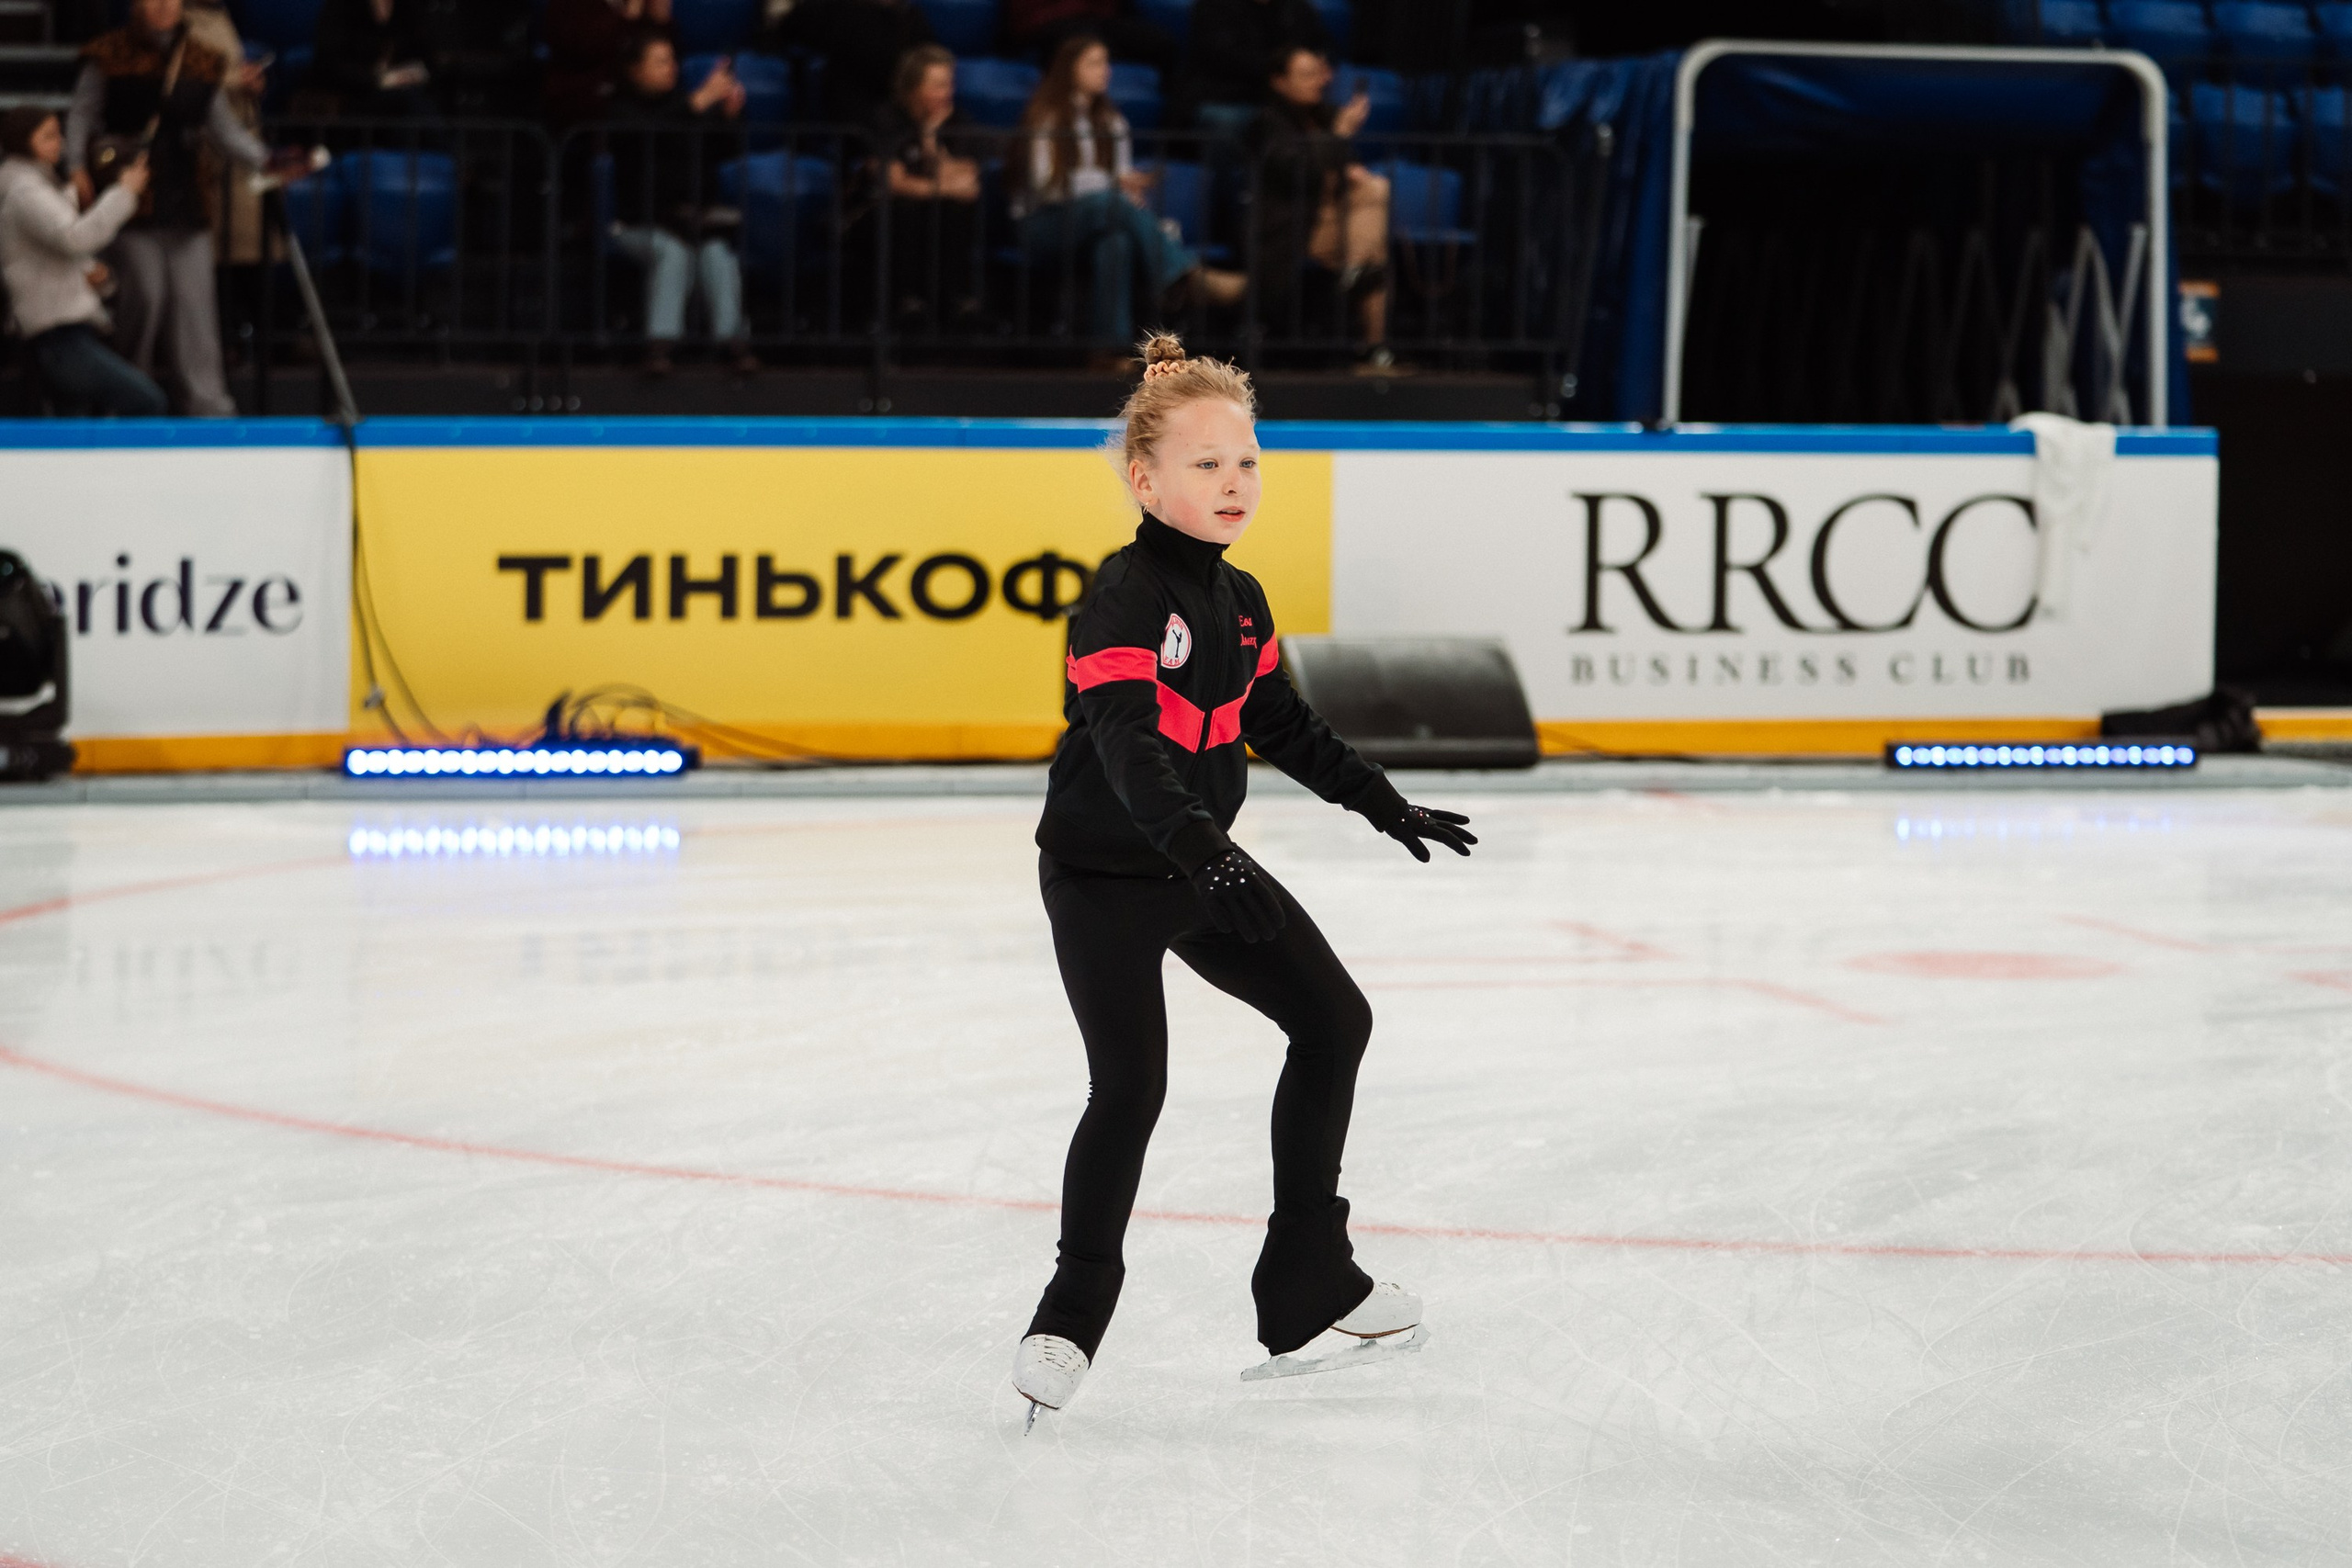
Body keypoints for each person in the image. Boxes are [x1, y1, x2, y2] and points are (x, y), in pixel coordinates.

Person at [1012, 333, 1476, 1425]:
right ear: (1145, 479)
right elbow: (1129, 752)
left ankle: (1309, 1278)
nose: (1234, 484)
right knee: (1130, 1087)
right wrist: (1209, 855)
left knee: (1332, 1022)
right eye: (1208, 464)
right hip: (1103, 876)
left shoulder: (1245, 600)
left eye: (1248, 462)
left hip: (1200, 869)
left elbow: (1282, 725)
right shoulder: (1119, 602)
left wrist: (1379, 801)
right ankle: (1068, 1317)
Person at [65, 0, 270, 417]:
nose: (163, 6)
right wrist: (75, 167)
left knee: (196, 307)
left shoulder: (201, 60)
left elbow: (225, 131)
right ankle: (129, 396)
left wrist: (270, 161)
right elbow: (81, 116)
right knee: (146, 291)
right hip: (129, 199)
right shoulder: (108, 54)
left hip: (185, 197)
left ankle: (208, 405)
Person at [1014, 35, 1243, 357]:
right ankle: (1183, 274)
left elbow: (1119, 184)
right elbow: (1047, 186)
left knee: (1116, 242)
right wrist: (1114, 186)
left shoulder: (1112, 121)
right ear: (1069, 69)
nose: (1105, 70)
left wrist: (1122, 192)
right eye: (1094, 63)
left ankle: (1109, 350)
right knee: (1111, 204)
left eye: (1106, 62)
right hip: (1043, 223)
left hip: (1099, 220)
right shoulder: (1046, 117)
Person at [607, 32, 757, 377]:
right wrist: (700, 100)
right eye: (660, 62)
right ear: (634, 70)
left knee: (718, 256)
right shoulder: (620, 110)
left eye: (672, 61)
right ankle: (659, 348)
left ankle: (733, 344)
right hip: (638, 225)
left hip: (694, 224)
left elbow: (722, 151)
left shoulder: (685, 105)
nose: (671, 68)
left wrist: (730, 118)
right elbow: (649, 134)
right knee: (672, 252)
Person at [0, 108, 167, 416]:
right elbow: (75, 238)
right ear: (22, 141)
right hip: (57, 335)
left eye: (58, 133)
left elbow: (62, 252)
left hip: (67, 330)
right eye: (48, 136)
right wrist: (124, 193)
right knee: (146, 400)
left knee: (72, 428)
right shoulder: (25, 190)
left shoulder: (40, 183)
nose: (59, 143)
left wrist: (95, 277)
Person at [1250, 46, 1391, 366]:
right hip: (1294, 228)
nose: (1317, 81)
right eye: (1306, 75)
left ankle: (1356, 273)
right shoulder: (1268, 123)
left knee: (1376, 190)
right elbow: (1294, 173)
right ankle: (1374, 343)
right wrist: (1339, 136)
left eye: (1318, 73)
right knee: (1375, 251)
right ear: (1279, 81)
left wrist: (1350, 169)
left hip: (1336, 221)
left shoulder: (1325, 115)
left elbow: (1345, 168)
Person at [871, 44, 982, 330]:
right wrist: (944, 185)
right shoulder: (888, 119)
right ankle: (907, 300)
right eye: (937, 85)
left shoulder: (957, 121)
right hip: (887, 217)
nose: (947, 93)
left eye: (949, 84)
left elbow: (969, 185)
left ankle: (956, 300)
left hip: (941, 218)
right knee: (910, 207)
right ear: (912, 88)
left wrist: (930, 138)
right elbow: (894, 183)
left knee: (956, 209)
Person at [763, 0, 935, 127]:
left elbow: (932, 61)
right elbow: (786, 25)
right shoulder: (837, 13)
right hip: (855, 119)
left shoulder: (913, 20)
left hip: (901, 115)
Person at [1184, 0, 1332, 134]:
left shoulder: (1296, 7)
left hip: (1284, 97)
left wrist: (1320, 63)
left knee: (1335, 115)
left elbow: (1322, 45)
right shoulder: (1213, 6)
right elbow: (1224, 58)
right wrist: (1284, 71)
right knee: (1229, 121)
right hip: (1229, 96)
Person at [545, 0, 677, 129]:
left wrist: (661, 20)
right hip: (581, 93)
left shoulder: (642, 6)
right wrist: (629, 17)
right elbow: (583, 48)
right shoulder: (573, 5)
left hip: (636, 97)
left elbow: (660, 50)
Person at [308, 0, 435, 118]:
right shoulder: (341, 6)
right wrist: (378, 79)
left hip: (400, 91)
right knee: (410, 102)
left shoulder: (408, 7)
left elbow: (423, 52)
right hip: (348, 94)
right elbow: (330, 63)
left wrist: (417, 72)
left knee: (419, 98)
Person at [1005, 0, 1178, 79]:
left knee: (1162, 43)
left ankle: (1175, 133)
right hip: (1051, 20)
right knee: (1087, 44)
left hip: (1099, 19)